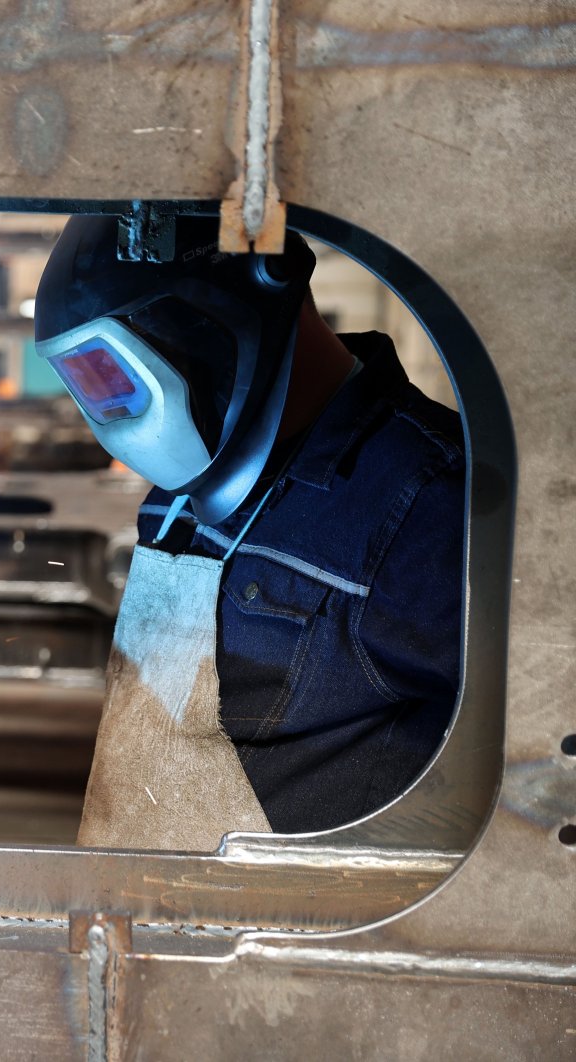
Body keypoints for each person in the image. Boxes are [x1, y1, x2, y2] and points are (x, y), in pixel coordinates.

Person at [34, 214, 464, 850]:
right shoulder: (173, 507)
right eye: (90, 386)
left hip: (296, 940)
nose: (118, 416)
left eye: (116, 376)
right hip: (136, 921)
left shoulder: (430, 504)